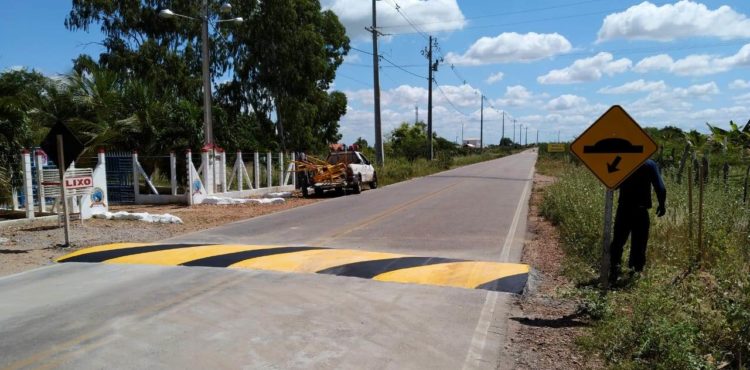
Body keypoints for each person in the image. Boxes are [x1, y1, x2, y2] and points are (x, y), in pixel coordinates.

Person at [609, 159, 666, 284]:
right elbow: (660, 187)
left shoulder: (622, 161)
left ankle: (614, 270)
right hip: (641, 210)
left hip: (624, 209)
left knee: (618, 241)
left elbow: (613, 183)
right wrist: (662, 204)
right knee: (639, 243)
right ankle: (635, 272)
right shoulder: (649, 164)